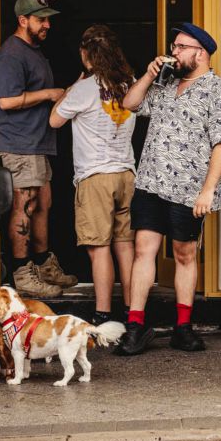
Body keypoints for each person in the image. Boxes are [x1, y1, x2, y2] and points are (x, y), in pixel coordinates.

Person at [115, 22, 221, 355]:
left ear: (201, 52)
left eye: (181, 47)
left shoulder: (218, 90)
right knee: (144, 250)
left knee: (184, 254)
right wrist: (148, 74)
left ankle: (183, 327)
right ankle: (135, 326)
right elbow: (130, 103)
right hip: (151, 182)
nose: (174, 52)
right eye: (174, 46)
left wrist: (208, 191)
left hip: (188, 189)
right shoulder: (165, 83)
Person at [49, 24, 137, 326]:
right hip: (126, 173)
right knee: (125, 247)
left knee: (99, 250)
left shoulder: (85, 89)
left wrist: (72, 87)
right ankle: (131, 311)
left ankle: (102, 315)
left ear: (86, 55)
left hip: (95, 177)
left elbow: (54, 121)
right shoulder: (129, 83)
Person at [0, 0, 77, 299]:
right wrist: (50, 94)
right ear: (23, 20)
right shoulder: (11, 54)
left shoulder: (32, 50)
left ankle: (43, 264)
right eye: (41, 20)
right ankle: (22, 272)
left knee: (43, 204)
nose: (47, 25)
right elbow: (7, 100)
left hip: (37, 142)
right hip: (18, 144)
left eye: (47, 19)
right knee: (24, 207)